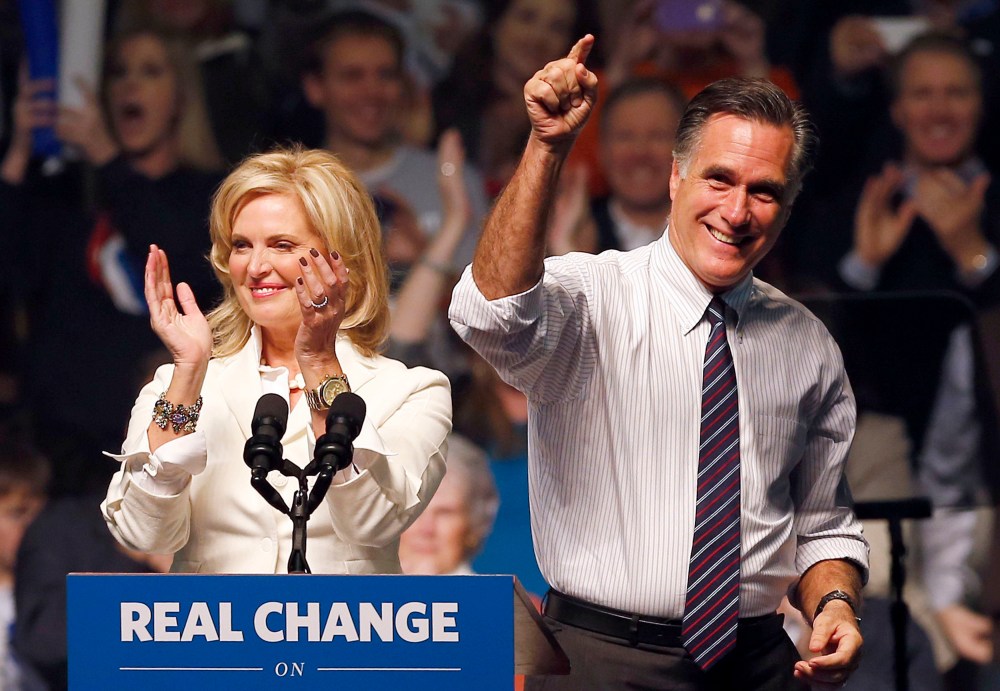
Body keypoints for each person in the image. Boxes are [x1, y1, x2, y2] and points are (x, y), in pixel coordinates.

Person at [449, 35, 869, 689]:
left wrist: (836, 603)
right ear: (676, 176)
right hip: (597, 657)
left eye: (763, 191)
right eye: (719, 178)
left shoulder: (806, 343)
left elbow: (825, 523)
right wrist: (547, 147)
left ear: (788, 205)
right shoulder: (588, 296)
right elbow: (492, 313)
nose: (736, 211)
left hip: (760, 663)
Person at [102, 146, 451, 574]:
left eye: (282, 245)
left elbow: (371, 523)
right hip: (211, 638)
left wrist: (319, 360)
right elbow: (144, 534)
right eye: (242, 245)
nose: (256, 267)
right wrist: (189, 373)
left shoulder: (412, 391)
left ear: (342, 260)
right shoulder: (176, 386)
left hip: (346, 639)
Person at [398, 433, 498, 576]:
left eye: (445, 513)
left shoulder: (502, 598)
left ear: (473, 525)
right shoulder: (356, 594)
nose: (427, 529)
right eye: (414, 510)